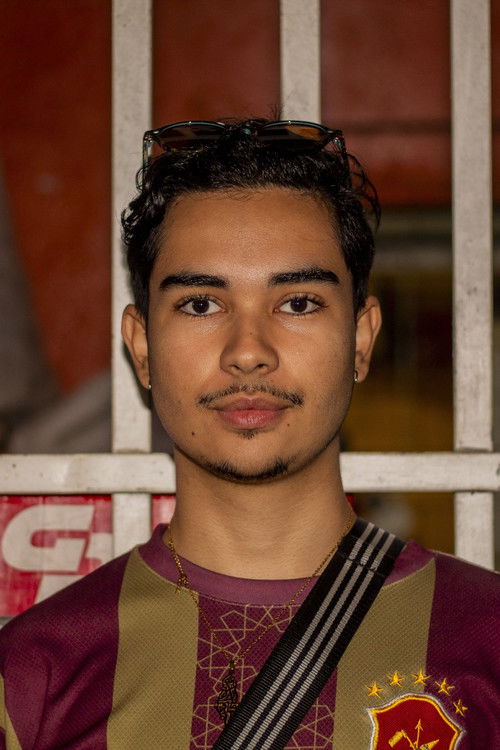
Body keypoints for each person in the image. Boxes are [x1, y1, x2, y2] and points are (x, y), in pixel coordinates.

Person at [0, 119, 498, 749]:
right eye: (201, 304)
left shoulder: (487, 641)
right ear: (142, 347)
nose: (248, 352)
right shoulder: (33, 676)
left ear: (361, 339)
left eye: (298, 303)